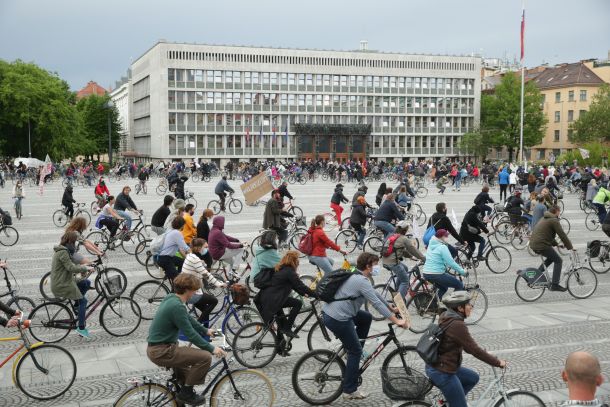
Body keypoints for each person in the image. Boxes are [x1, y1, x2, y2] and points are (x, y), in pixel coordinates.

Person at [322, 252, 408, 400]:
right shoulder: (361, 280)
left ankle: (356, 348)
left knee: (366, 318)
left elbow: (374, 294)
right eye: (375, 264)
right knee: (354, 351)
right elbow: (375, 303)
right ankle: (349, 390)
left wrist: (391, 307)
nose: (377, 267)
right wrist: (396, 320)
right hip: (338, 318)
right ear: (368, 266)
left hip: (334, 311)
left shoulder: (357, 274)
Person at [147, 273, 225, 406]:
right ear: (188, 290)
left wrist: (205, 330)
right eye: (195, 290)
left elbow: (188, 319)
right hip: (163, 351)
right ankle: (186, 394)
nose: (196, 293)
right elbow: (191, 334)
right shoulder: (177, 306)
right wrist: (212, 349)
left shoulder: (172, 298)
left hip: (159, 348)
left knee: (186, 376)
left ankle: (182, 395)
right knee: (205, 358)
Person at [425, 291, 506, 407]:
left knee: (472, 378)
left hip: (441, 365)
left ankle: (451, 402)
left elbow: (467, 345)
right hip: (443, 372)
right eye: (468, 304)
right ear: (460, 308)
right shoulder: (457, 325)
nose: (471, 307)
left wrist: (483, 352)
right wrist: (497, 362)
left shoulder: (447, 315)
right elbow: (474, 350)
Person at [255, 251, 317, 353]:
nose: (299, 262)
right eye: (297, 260)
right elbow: (300, 285)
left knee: (281, 321)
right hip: (273, 300)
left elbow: (294, 286)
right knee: (298, 303)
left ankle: (280, 348)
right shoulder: (289, 272)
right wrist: (316, 295)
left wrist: (303, 294)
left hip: (269, 299)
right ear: (294, 261)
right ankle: (288, 328)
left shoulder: (282, 268)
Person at [51, 231, 94, 338]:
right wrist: (85, 267)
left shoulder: (64, 250)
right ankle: (81, 327)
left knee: (86, 283)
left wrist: (86, 267)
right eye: (74, 242)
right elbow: (71, 267)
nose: (74, 245)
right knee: (83, 301)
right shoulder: (63, 252)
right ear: (70, 241)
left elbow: (70, 267)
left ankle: (76, 306)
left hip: (66, 280)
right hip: (62, 284)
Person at [182, 238, 226, 325]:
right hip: (192, 293)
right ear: (198, 248)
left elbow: (198, 269)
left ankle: (205, 331)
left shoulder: (190, 256)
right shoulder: (195, 259)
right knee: (214, 301)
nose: (206, 249)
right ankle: (197, 326)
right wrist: (219, 284)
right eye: (204, 247)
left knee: (205, 310)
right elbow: (206, 274)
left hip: (186, 291)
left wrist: (201, 263)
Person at [529, 205, 573, 291]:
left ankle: (536, 276)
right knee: (558, 261)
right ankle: (555, 285)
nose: (559, 213)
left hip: (534, 244)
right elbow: (562, 234)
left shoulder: (544, 218)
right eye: (559, 211)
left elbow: (547, 235)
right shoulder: (554, 220)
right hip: (541, 245)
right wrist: (570, 247)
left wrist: (557, 244)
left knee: (551, 258)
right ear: (556, 211)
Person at [381, 220, 426, 298]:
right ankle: (399, 302)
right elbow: (413, 250)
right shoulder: (404, 239)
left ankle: (397, 290)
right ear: (405, 230)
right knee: (405, 281)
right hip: (393, 263)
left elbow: (401, 250)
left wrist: (410, 257)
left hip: (385, 260)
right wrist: (424, 259)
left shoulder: (393, 236)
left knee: (405, 268)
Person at [423, 229, 467, 299]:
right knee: (459, 285)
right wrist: (462, 272)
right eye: (446, 236)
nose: (447, 237)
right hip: (436, 274)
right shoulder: (442, 247)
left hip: (426, 273)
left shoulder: (431, 244)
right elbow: (451, 263)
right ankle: (453, 305)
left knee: (444, 287)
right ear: (441, 237)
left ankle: (435, 304)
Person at [158, 216, 191, 280]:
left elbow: (180, 249)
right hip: (165, 259)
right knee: (177, 280)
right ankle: (176, 284)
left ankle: (178, 277)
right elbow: (185, 247)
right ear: (182, 225)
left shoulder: (170, 230)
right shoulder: (177, 233)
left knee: (183, 262)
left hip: (165, 257)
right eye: (184, 225)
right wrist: (195, 257)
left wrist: (186, 258)